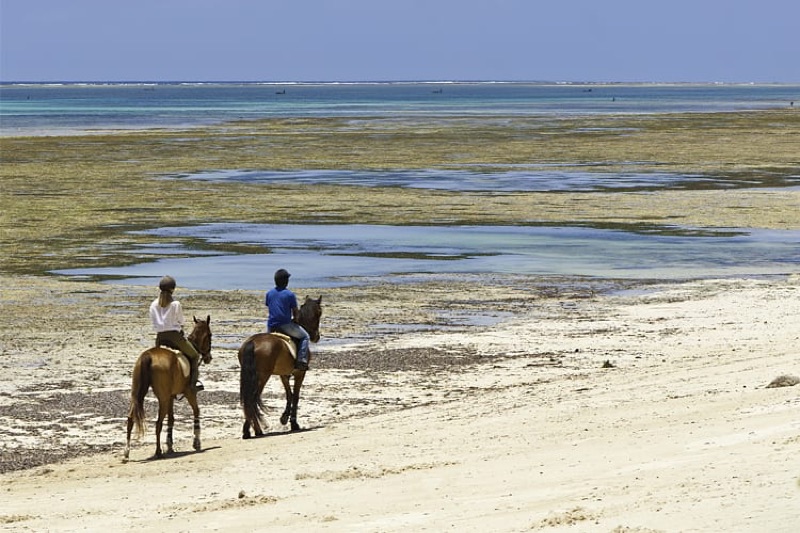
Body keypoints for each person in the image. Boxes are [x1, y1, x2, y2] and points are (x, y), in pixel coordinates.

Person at [149, 275, 205, 392]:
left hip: (159, 338)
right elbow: (181, 321)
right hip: (174, 337)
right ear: (172, 289)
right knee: (195, 355)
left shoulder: (153, 304)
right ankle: (193, 384)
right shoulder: (175, 304)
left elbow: (154, 322)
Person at [265, 268, 310, 370]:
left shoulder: (269, 293)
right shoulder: (289, 294)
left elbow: (271, 306)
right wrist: (296, 320)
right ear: (286, 281)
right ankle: (301, 360)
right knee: (305, 337)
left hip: (271, 326)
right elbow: (295, 312)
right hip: (285, 325)